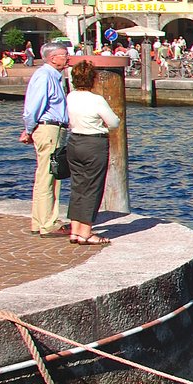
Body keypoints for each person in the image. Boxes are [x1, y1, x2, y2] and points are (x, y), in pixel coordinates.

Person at [63, 60, 120, 246]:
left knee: (78, 186)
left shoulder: (70, 97)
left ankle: (75, 230)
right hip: (93, 143)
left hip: (74, 141)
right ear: (93, 79)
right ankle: (86, 233)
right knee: (92, 188)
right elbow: (113, 122)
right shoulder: (96, 99)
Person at [18, 41, 72, 236]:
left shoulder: (54, 76)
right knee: (49, 176)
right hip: (49, 128)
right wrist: (29, 129)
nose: (68, 58)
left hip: (52, 128)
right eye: (64, 55)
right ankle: (48, 224)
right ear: (52, 58)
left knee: (47, 175)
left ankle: (39, 220)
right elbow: (33, 106)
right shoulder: (45, 76)